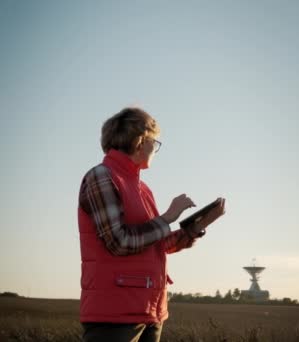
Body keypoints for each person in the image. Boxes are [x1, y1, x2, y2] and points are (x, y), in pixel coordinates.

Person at [77, 107, 226, 342]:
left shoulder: (142, 188)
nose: (156, 149)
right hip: (116, 313)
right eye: (154, 142)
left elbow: (158, 243)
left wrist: (197, 227)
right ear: (140, 141)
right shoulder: (102, 176)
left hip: (151, 311)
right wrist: (167, 217)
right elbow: (119, 241)